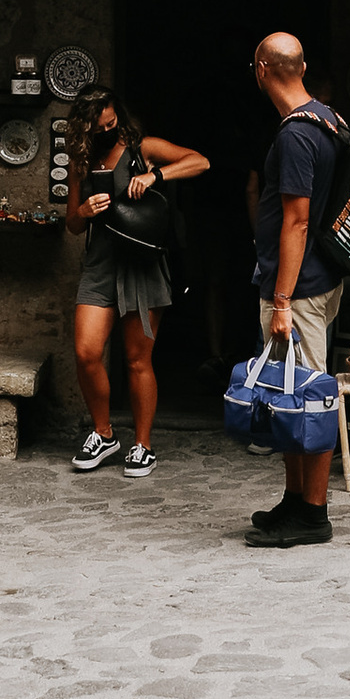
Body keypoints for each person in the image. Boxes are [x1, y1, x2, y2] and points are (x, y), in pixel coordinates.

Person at [65, 89, 210, 480]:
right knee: (86, 352)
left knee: (136, 358)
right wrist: (82, 209)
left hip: (143, 264)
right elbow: (73, 224)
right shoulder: (81, 159)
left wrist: (153, 175)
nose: (108, 131)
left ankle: (143, 445)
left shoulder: (142, 148)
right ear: (85, 129)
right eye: (100, 128)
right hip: (100, 264)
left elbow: (200, 161)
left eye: (112, 124)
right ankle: (104, 432)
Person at [244, 30, 343, 549]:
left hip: (298, 290)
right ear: (300, 69)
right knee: (289, 395)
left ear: (261, 70)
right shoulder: (326, 118)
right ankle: (294, 500)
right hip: (317, 280)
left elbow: (298, 222)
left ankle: (313, 514)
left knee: (310, 399)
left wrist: (281, 301)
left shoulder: (293, 136)